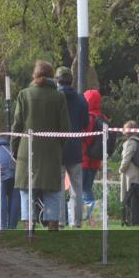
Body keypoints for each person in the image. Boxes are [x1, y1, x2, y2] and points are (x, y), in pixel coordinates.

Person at [11, 61, 71, 230]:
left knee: (26, 194)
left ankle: (30, 233)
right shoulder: (59, 97)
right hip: (52, 153)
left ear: (34, 75)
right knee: (52, 193)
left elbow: (17, 126)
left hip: (26, 151)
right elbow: (65, 129)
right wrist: (57, 146)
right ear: (52, 76)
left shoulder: (23, 95)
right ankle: (53, 231)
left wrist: (14, 150)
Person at [53, 68, 88, 228]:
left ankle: (60, 220)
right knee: (77, 187)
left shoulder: (53, 98)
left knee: (58, 187)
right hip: (75, 147)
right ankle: (77, 222)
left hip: (57, 147)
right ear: (71, 80)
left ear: (57, 80)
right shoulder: (81, 99)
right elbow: (85, 124)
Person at [81, 88, 110, 224]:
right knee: (87, 187)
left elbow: (82, 138)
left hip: (84, 159)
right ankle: (89, 217)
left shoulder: (88, 118)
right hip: (96, 160)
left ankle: (94, 218)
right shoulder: (103, 118)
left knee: (84, 189)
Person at [119, 120, 139, 226]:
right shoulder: (138, 142)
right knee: (136, 196)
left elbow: (126, 159)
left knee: (129, 196)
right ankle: (134, 218)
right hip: (137, 172)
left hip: (129, 173)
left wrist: (121, 169)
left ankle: (131, 218)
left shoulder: (130, 143)